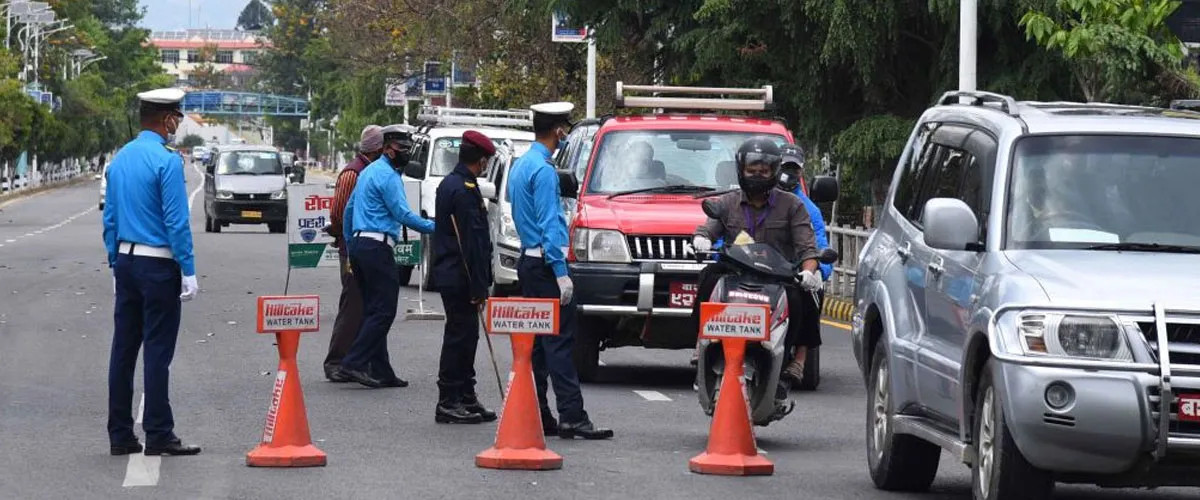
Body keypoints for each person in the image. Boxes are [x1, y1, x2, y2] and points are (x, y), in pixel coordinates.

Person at [102, 88, 201, 457]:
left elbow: (110, 218)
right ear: (167, 119)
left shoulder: (120, 159)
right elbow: (176, 222)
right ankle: (159, 433)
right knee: (158, 351)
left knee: (123, 350)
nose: (177, 123)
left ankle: (120, 435)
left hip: (126, 261)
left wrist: (115, 261)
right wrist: (188, 269)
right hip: (158, 264)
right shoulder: (167, 161)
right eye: (176, 116)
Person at [508, 102, 613, 440]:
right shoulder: (544, 171)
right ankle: (572, 415)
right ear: (557, 131)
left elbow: (517, 207)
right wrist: (560, 271)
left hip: (528, 261)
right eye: (565, 129)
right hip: (546, 264)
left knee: (538, 344)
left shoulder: (521, 165)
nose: (566, 134)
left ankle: (540, 413)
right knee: (559, 343)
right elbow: (550, 222)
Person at [691, 137, 822, 392]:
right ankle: (701, 346)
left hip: (777, 278)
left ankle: (789, 362)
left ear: (774, 172)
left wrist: (809, 272)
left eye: (764, 171)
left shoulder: (793, 205)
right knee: (707, 277)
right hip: (734, 273)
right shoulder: (728, 203)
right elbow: (708, 229)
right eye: (752, 170)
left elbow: (807, 247)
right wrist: (701, 240)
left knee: (803, 298)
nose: (758, 176)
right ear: (741, 170)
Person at [334, 125, 435, 388]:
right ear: (387, 149)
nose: (406, 154)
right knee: (384, 310)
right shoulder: (388, 177)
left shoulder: (368, 172)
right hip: (377, 247)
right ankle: (353, 362)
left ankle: (381, 369)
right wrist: (437, 227)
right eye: (402, 149)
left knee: (373, 310)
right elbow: (403, 215)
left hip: (359, 245)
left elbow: (349, 212)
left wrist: (348, 246)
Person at [430, 130, 498, 424]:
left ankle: (466, 395)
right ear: (482, 161)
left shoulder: (456, 183)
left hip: (457, 273)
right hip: (461, 275)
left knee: (467, 336)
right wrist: (479, 284)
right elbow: (470, 242)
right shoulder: (462, 189)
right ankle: (449, 400)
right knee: (459, 337)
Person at [322, 125, 385, 381]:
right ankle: (337, 361)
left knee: (370, 306)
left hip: (366, 248)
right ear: (377, 150)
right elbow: (339, 213)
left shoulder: (371, 171)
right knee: (353, 305)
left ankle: (361, 361)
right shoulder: (353, 174)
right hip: (352, 248)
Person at [777, 144, 831, 382]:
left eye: (793, 168)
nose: (787, 173)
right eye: (783, 167)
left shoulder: (809, 210)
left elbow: (820, 245)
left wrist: (818, 270)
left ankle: (799, 359)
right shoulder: (757, 197)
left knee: (810, 295)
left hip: (792, 270)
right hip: (759, 267)